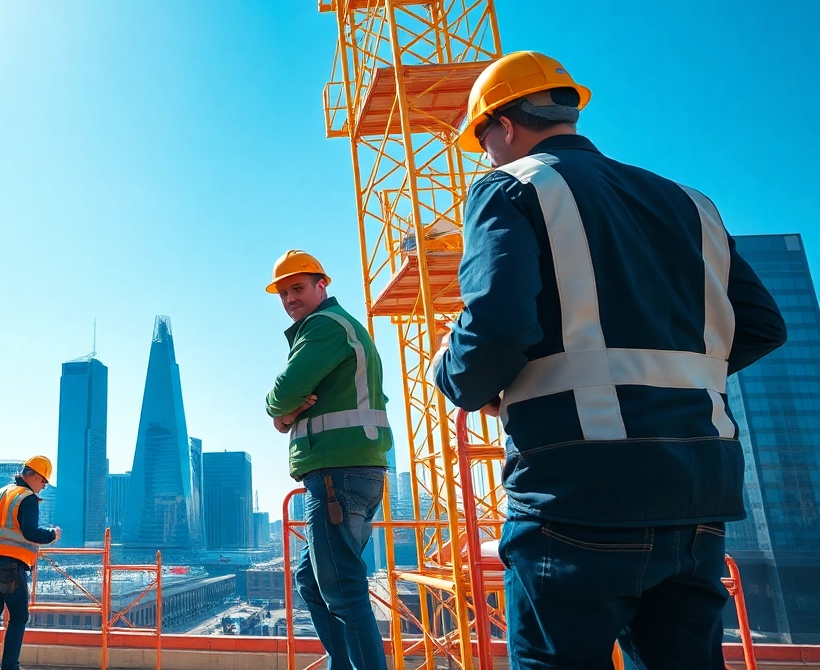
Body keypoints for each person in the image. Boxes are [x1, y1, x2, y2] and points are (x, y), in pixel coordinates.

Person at [433, 51, 788, 668]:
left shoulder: (510, 186)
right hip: (697, 489)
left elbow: (498, 326)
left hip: (577, 488)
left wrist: (455, 370)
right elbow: (761, 326)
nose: (485, 156)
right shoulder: (690, 202)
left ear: (504, 126)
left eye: (483, 141)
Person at [264, 250, 392, 670]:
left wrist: (279, 411)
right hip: (348, 472)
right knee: (313, 581)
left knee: (343, 588)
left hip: (339, 474)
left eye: (297, 288)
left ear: (322, 286)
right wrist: (287, 416)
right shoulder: (337, 326)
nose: (290, 299)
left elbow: (282, 394)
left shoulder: (324, 326)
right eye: (283, 293)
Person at [0, 456, 60, 670]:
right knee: (18, 617)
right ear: (33, 475)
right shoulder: (27, 498)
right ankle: (10, 667)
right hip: (11, 566)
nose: (44, 486)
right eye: (44, 480)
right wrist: (53, 534)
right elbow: (31, 532)